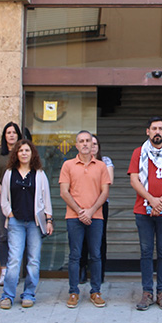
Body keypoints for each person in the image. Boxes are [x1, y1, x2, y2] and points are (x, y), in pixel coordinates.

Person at [129, 117, 162, 311]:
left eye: (160, 128)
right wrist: (151, 199)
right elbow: (134, 180)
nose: (157, 131)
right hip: (143, 209)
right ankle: (146, 292)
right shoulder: (138, 153)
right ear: (148, 132)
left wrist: (160, 201)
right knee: (145, 252)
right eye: (154, 128)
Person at [0, 139, 53, 309]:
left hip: (35, 223)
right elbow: (4, 199)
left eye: (27, 150)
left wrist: (49, 220)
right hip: (16, 222)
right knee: (14, 259)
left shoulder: (39, 174)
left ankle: (29, 293)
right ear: (16, 154)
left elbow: (46, 199)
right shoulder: (9, 173)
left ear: (32, 153)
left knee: (33, 260)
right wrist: (10, 213)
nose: (23, 153)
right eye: (20, 150)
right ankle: (8, 295)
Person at [60, 130, 111, 308]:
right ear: (76, 145)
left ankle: (95, 291)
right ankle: (73, 292)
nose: (85, 144)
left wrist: (90, 211)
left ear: (92, 144)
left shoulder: (101, 166)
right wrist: (81, 211)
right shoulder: (68, 165)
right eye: (81, 141)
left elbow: (105, 192)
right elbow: (64, 192)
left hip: (96, 217)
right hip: (74, 217)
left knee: (96, 255)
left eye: (88, 141)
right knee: (75, 255)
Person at [0, 122, 21, 285]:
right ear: (4, 136)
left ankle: (16, 269)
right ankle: (4, 270)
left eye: (14, 132)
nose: (11, 135)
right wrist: (3, 192)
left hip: (19, 197)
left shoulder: (22, 153)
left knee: (19, 232)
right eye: (8, 132)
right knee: (3, 234)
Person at [80, 135, 113, 283]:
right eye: (89, 143)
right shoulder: (79, 162)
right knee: (82, 239)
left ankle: (99, 273)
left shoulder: (105, 161)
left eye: (95, 144)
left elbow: (109, 181)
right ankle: (82, 270)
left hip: (101, 203)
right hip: (82, 204)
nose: (92, 146)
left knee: (100, 239)